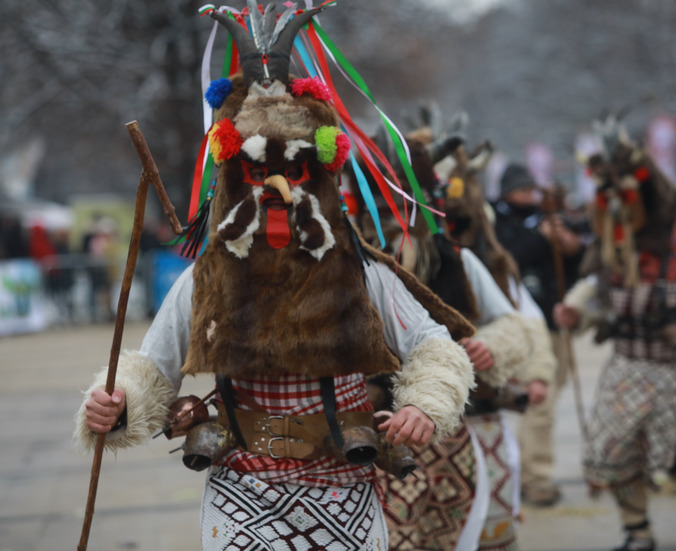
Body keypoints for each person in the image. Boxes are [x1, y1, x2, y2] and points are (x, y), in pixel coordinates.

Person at [74, 4, 476, 550]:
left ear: (321, 175)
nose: (278, 189)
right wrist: (113, 400)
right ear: (237, 177)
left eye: (296, 171)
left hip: (345, 489)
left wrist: (422, 405)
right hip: (241, 490)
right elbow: (151, 366)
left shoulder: (361, 273)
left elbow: (433, 344)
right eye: (260, 172)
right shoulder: (208, 277)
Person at [552, 117, 676, 551]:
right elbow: (598, 282)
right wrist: (576, 307)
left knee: (658, 450)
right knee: (608, 446)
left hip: (675, 353)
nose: (611, 204)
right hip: (627, 352)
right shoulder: (613, 224)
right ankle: (637, 531)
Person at [351, 127, 555, 551]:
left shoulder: (456, 259)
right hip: (370, 438)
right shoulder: (345, 264)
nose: (394, 218)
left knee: (478, 535)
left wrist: (492, 346)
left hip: (457, 429)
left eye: (403, 201)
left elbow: (516, 323)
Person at [492, 163, 586, 507]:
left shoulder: (546, 218)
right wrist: (539, 238)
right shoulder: (495, 220)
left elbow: (578, 265)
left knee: (545, 400)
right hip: (516, 327)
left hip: (552, 322)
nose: (528, 196)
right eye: (522, 190)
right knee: (537, 401)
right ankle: (536, 478)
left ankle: (529, 473)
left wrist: (569, 245)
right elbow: (505, 260)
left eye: (531, 190)